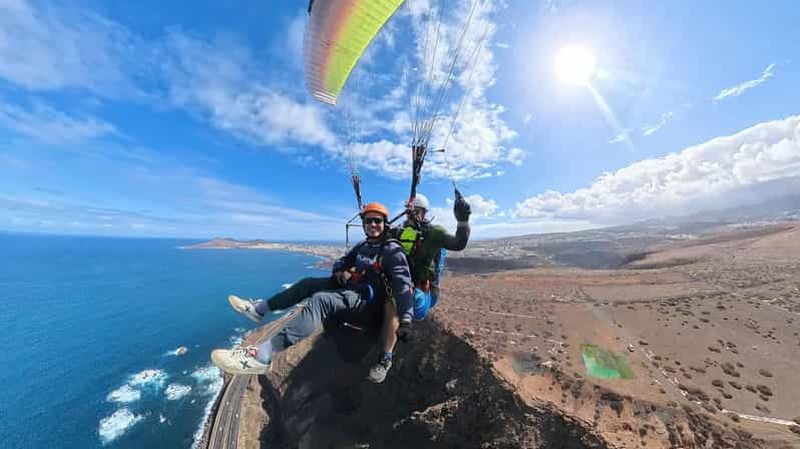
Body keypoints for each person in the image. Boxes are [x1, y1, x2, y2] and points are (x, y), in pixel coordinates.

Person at [210, 202, 414, 384]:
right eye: (368, 221)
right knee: (308, 284)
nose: (372, 225)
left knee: (320, 300)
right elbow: (343, 261)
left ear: (385, 223)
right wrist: (339, 272)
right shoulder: (363, 246)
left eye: (377, 221)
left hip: (368, 303)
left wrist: (405, 320)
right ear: (363, 224)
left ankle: (263, 355)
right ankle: (259, 309)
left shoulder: (391, 250)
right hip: (353, 289)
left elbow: (403, 285)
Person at [385, 189, 471, 339]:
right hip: (403, 285)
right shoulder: (398, 232)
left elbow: (458, 243)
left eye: (415, 211)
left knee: (409, 302)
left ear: (424, 213)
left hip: (424, 293)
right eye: (408, 212)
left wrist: (463, 221)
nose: (410, 216)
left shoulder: (434, 233)